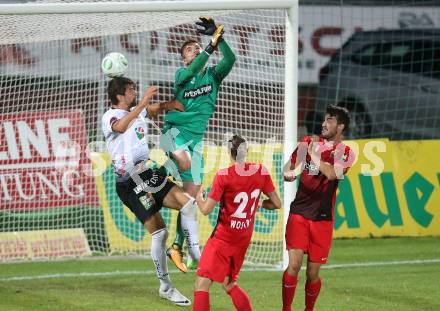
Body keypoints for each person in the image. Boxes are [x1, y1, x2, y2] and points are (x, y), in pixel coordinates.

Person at [101, 76, 201, 307]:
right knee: (159, 233)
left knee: (187, 203)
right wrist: (143, 101)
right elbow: (121, 126)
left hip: (147, 174)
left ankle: (189, 252)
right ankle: (166, 286)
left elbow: (151, 111)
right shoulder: (110, 116)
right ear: (120, 95)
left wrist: (168, 105)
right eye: (131, 89)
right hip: (129, 183)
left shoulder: (139, 111)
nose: (135, 91)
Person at [163, 16, 236, 272]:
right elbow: (195, 68)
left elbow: (230, 60)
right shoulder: (182, 74)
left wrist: (220, 37)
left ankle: (175, 246)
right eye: (189, 49)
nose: (194, 50)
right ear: (184, 58)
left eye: (197, 47)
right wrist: (209, 47)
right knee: (182, 164)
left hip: (195, 142)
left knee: (191, 199)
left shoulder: (213, 77)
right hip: (173, 133)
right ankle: (153, 176)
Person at [192, 135, 282, 311]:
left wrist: (199, 197)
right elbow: (277, 203)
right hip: (242, 240)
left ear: (229, 152)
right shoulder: (261, 171)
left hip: (222, 239)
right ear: (246, 151)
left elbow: (206, 210)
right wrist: (259, 203)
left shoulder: (224, 176)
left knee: (201, 285)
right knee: (229, 284)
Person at [281, 105, 356, 311]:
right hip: (300, 214)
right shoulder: (307, 142)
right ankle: (286, 309)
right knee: (293, 265)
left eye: (329, 120)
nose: (323, 123)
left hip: (322, 219)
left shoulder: (346, 153)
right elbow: (289, 167)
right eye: (324, 119)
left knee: (312, 273)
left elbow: (332, 174)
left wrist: (314, 154)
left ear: (340, 127)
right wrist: (289, 174)